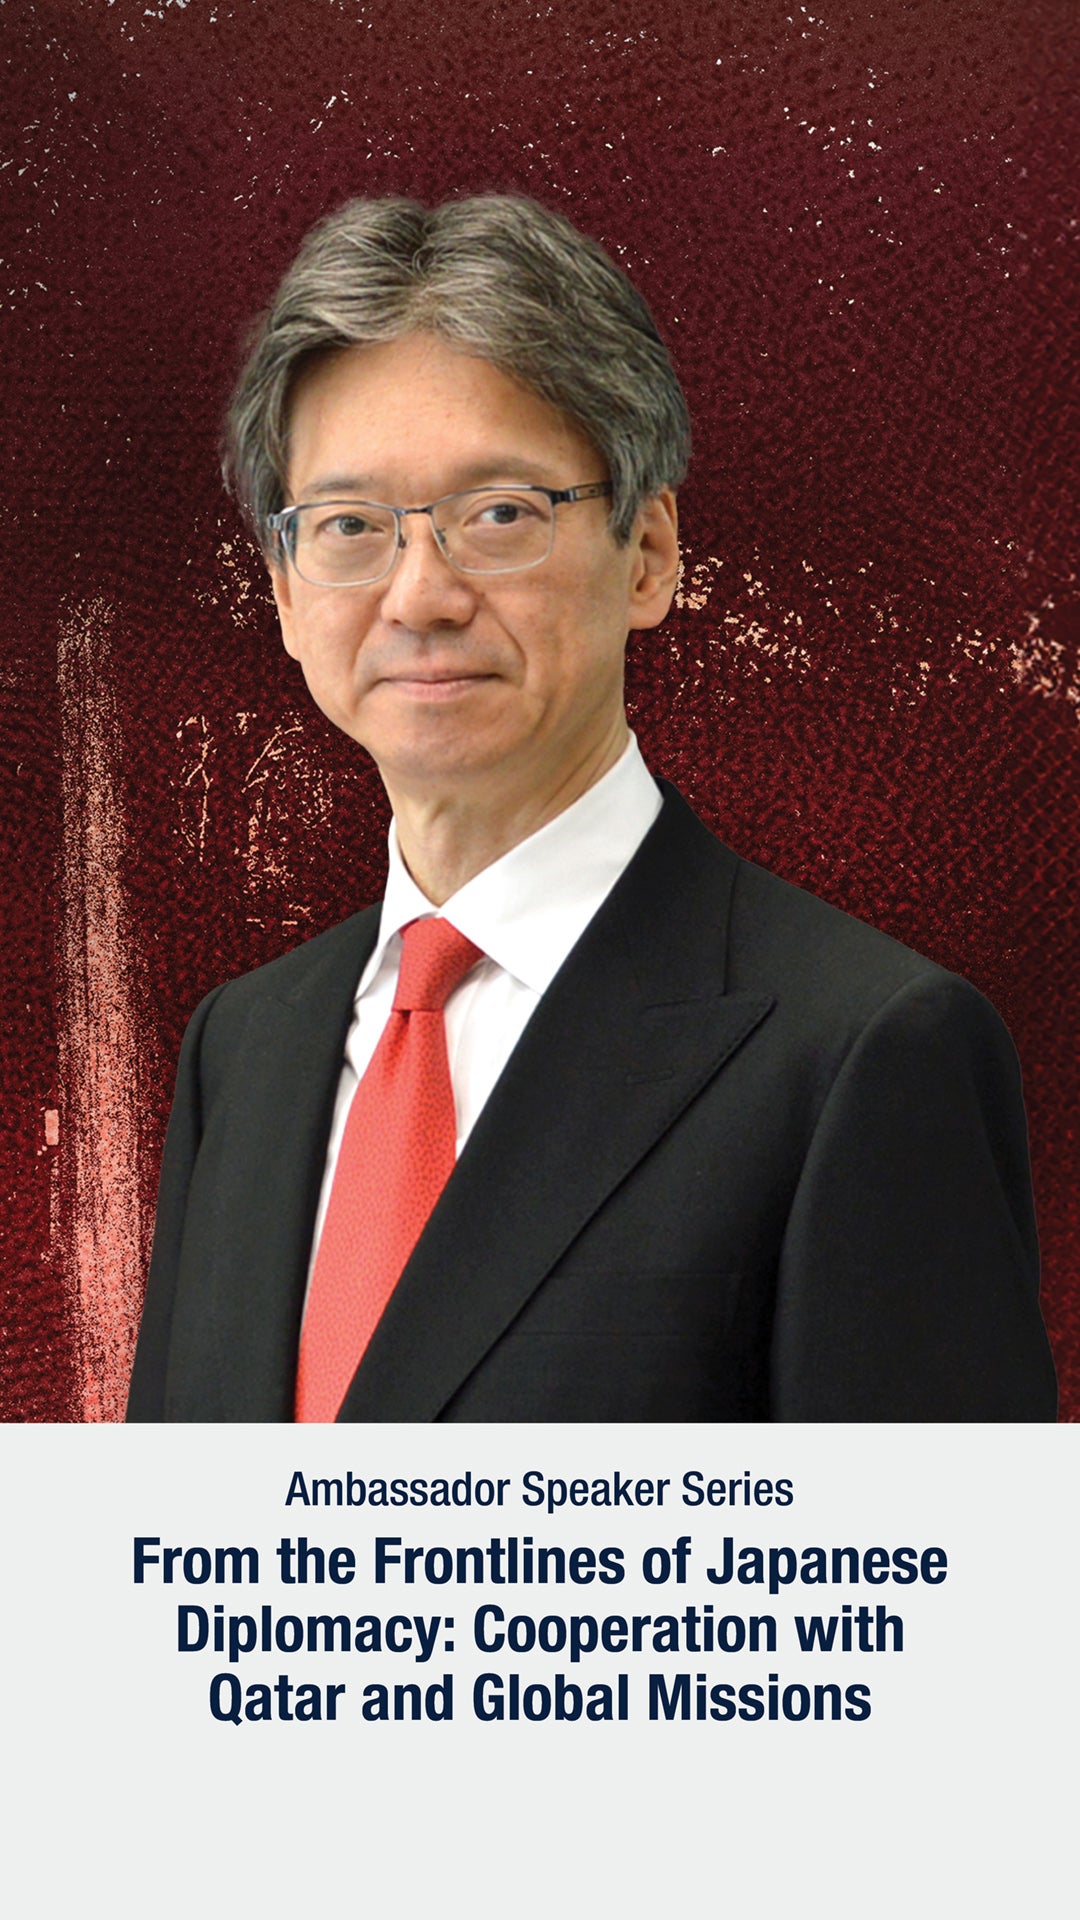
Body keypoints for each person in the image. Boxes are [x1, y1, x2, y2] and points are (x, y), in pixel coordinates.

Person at [127, 194, 1057, 1423]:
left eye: (499, 514)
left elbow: (937, 1607)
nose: (421, 595)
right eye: (350, 526)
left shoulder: (866, 1054)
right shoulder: (240, 1050)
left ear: (651, 552)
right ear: (287, 593)